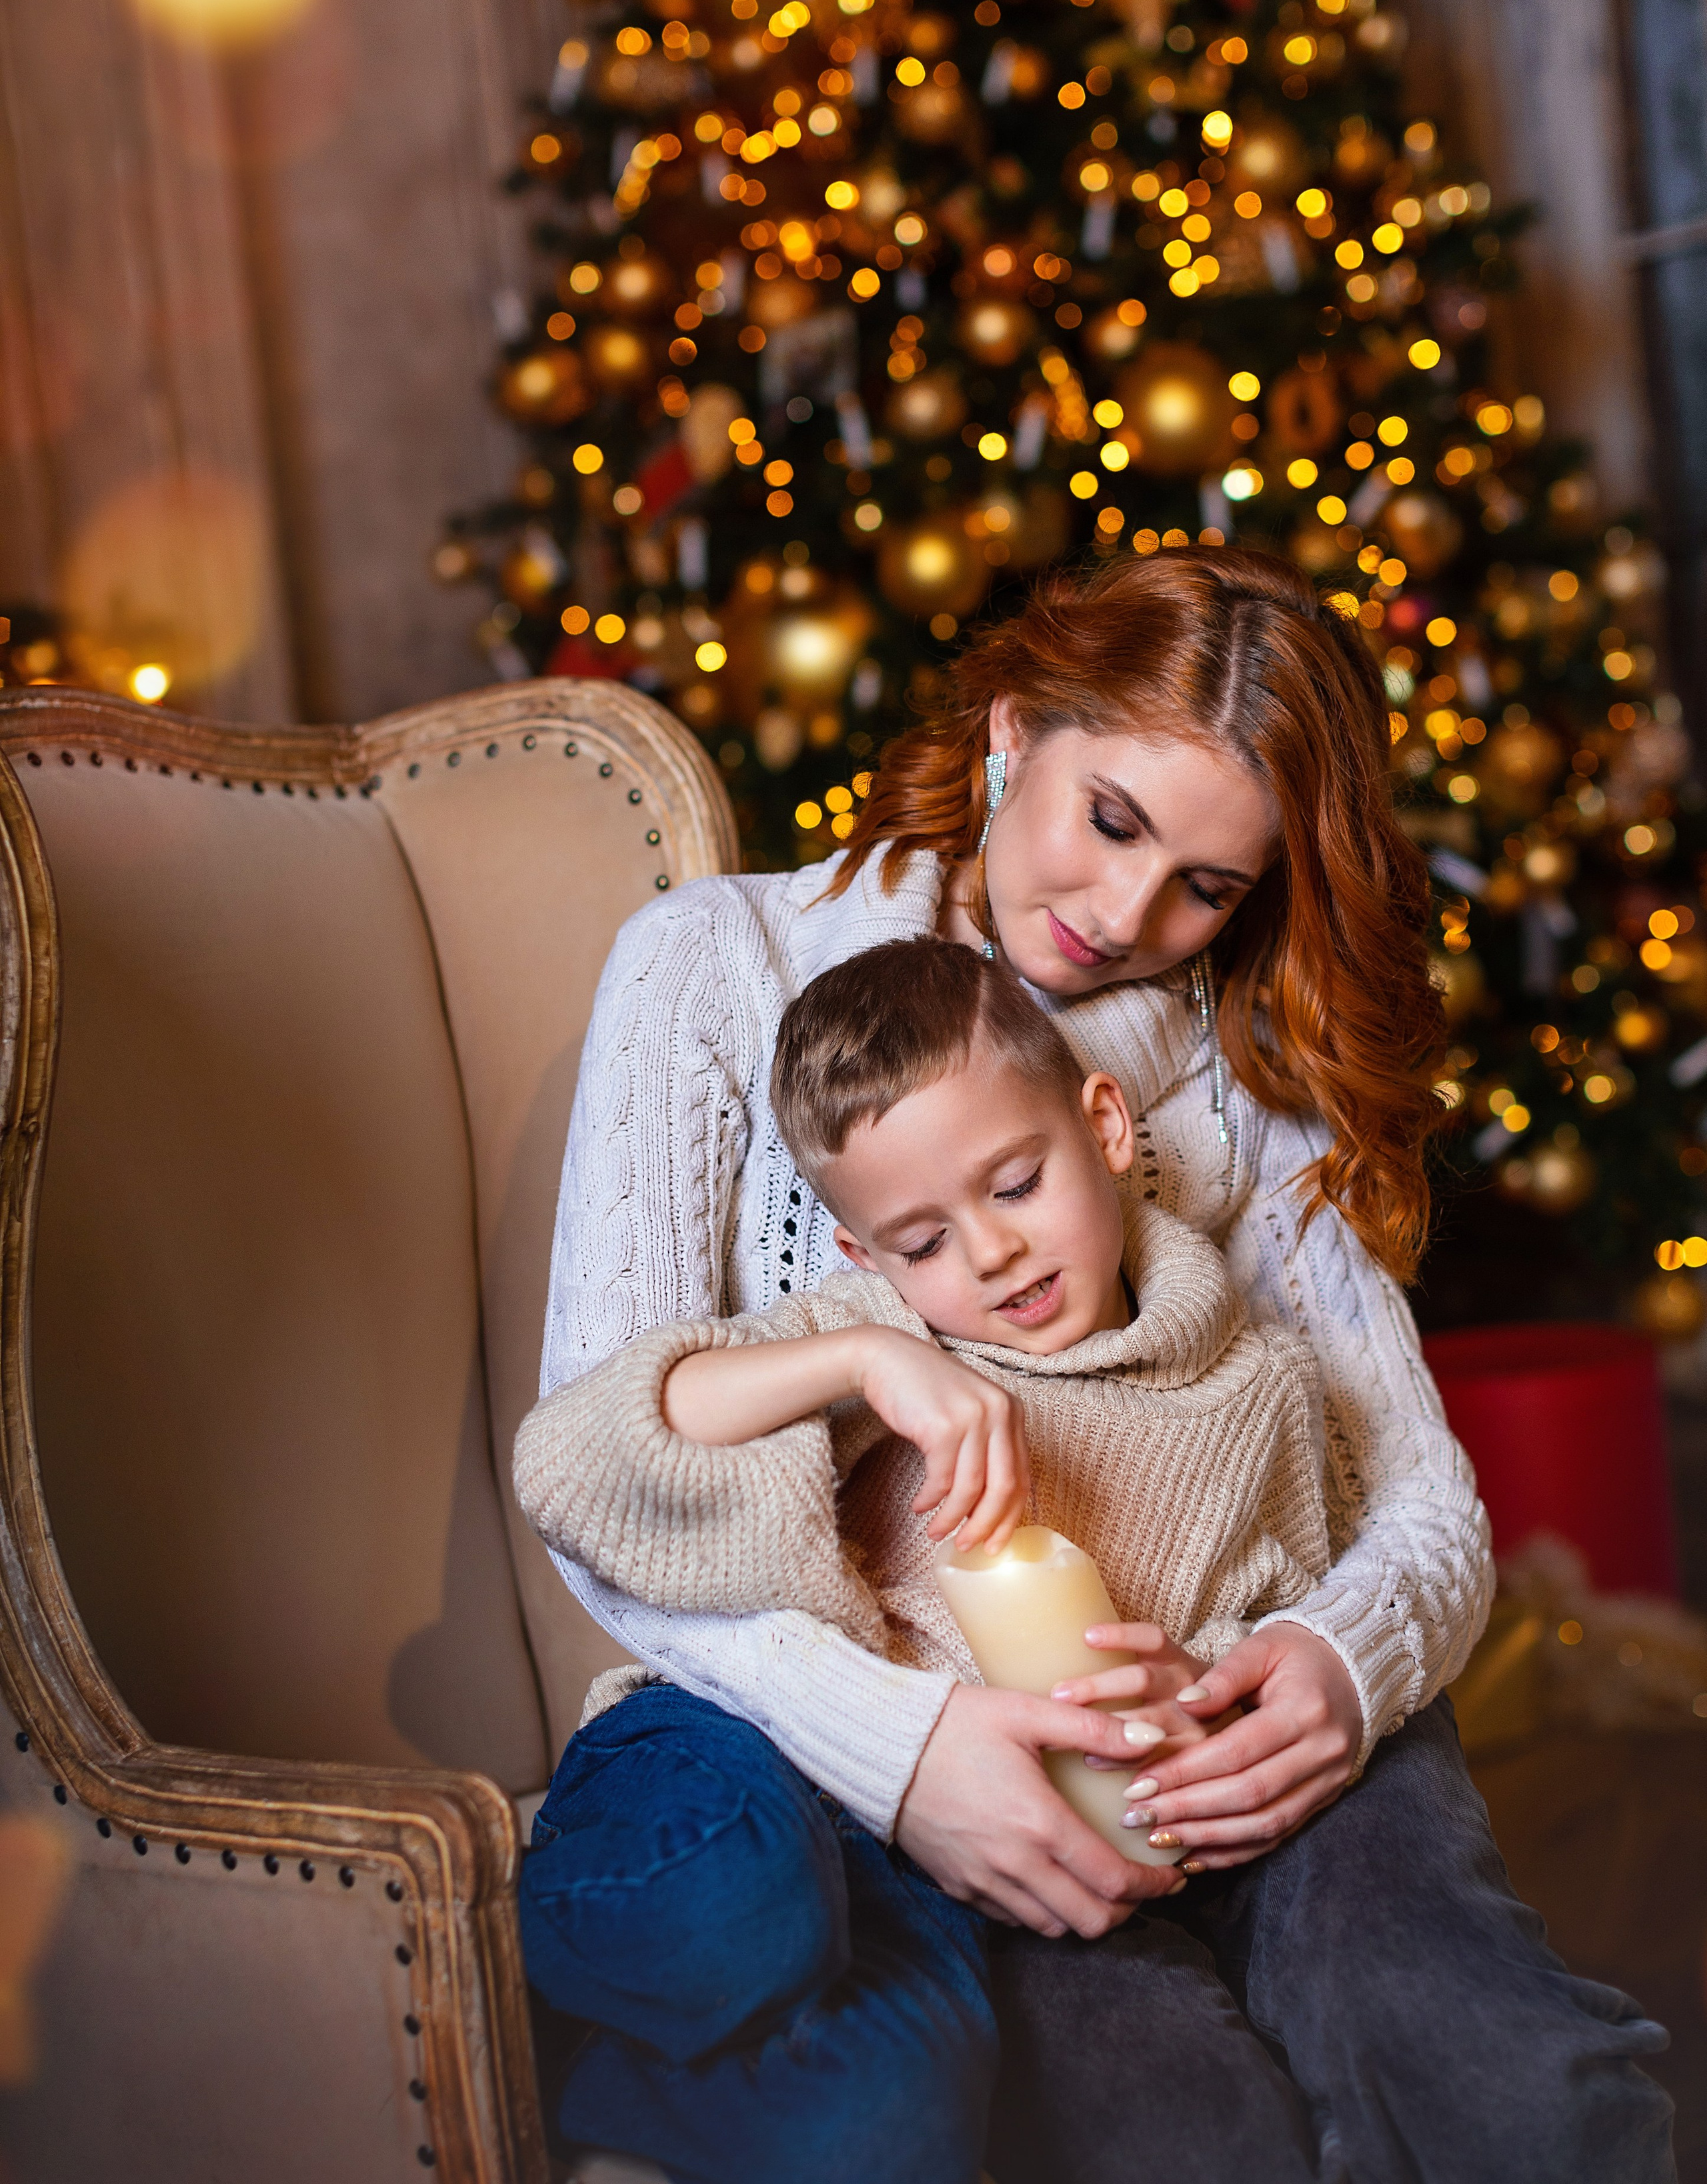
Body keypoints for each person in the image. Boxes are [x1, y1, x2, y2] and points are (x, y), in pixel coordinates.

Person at [533, 547, 1674, 2183]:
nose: (1124, 917)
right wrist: (905, 1751)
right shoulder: (712, 965)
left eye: (1204, 884)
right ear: (1013, 732)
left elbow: (1416, 1492)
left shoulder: (1244, 1061)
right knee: (1170, 2123)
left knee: (1500, 2079)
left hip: (1236, 1691)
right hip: (950, 1726)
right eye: (1111, 820)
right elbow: (609, 1488)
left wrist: (1336, 1661)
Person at [515, 936, 1334, 2175]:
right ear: (867, 1258)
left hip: (935, 1874)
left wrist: (1194, 1699)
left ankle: (593, 2074)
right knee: (743, 1898)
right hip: (746, 1750)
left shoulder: (1256, 1390)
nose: (991, 1253)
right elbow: (569, 1457)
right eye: (923, 1240)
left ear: (1106, 1125)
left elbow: (1268, 1628)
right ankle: (539, 1940)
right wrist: (867, 1360)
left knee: (899, 2123)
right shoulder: (882, 1333)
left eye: (1017, 1184)